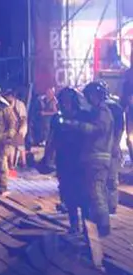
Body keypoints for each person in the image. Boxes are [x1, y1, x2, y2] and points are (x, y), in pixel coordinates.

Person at [62, 81, 114, 237]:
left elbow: (97, 130)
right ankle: (98, 226)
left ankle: (103, 227)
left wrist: (75, 124)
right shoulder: (98, 111)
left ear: (96, 95)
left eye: (90, 95)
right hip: (94, 158)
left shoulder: (103, 112)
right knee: (93, 192)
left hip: (98, 157)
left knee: (96, 192)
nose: (88, 99)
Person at [43, 87, 88, 233]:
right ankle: (74, 225)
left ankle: (87, 226)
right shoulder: (57, 119)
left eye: (68, 102)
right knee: (68, 194)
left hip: (81, 161)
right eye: (63, 102)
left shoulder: (83, 116)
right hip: (63, 161)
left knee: (83, 194)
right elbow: (52, 139)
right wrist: (47, 157)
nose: (65, 104)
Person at [100, 82, 124, 215]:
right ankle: (110, 206)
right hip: (108, 148)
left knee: (105, 179)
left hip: (103, 149)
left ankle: (108, 206)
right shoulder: (116, 107)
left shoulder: (102, 107)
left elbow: (119, 128)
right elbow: (120, 128)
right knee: (111, 178)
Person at [4, 90, 29, 169]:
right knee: (12, 145)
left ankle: (21, 163)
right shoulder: (8, 105)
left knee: (20, 146)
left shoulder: (20, 104)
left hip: (20, 126)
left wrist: (21, 128)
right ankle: (11, 164)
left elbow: (23, 118)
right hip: (13, 127)